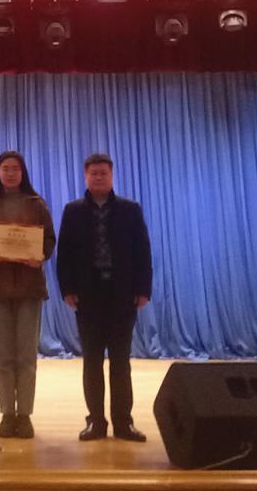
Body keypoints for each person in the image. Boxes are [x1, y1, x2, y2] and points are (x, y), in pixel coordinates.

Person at [56, 153, 152, 443]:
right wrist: (67, 289)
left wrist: (143, 289)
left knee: (121, 362)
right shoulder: (72, 210)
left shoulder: (130, 209)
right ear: (86, 176)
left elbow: (142, 251)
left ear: (112, 176)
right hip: (88, 295)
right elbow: (64, 254)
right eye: (93, 173)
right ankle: (96, 422)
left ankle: (124, 423)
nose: (98, 177)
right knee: (92, 362)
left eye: (103, 173)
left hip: (122, 294)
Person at [0, 151, 55, 439]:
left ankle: (25, 414)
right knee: (3, 356)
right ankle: (7, 413)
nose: (10, 173)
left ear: (23, 172)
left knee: (27, 355)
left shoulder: (36, 204)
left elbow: (49, 240)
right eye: (5, 168)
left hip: (29, 288)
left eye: (15, 168)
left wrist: (41, 255)